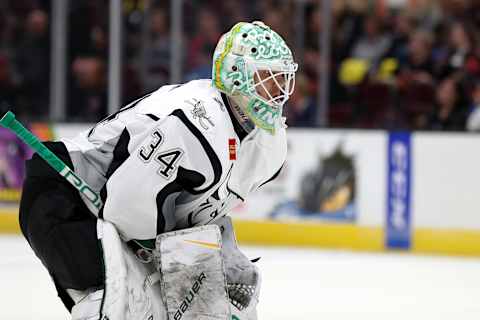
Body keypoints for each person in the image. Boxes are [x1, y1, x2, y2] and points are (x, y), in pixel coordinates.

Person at [19, 21, 297, 320]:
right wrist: (181, 266)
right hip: (68, 198)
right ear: (235, 76)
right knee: (114, 307)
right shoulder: (197, 122)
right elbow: (124, 208)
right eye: (266, 78)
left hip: (127, 220)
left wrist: (223, 255)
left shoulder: (268, 145)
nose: (277, 90)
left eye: (281, 78)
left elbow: (197, 213)